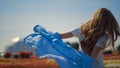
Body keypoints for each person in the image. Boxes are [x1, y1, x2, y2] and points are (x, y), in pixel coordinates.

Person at [24, 8, 120, 68]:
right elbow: (91, 58)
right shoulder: (103, 37)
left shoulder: (80, 30)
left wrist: (45, 34)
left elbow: (58, 36)